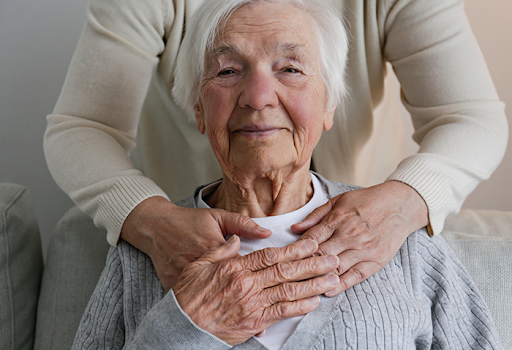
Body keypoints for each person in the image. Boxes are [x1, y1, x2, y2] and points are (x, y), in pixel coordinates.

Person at [72, 1, 503, 348]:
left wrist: (407, 200)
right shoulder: (146, 252)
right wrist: (182, 328)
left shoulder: (404, 244)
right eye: (227, 71)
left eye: (291, 69)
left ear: (330, 104)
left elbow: (472, 118)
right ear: (197, 110)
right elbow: (82, 126)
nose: (258, 97)